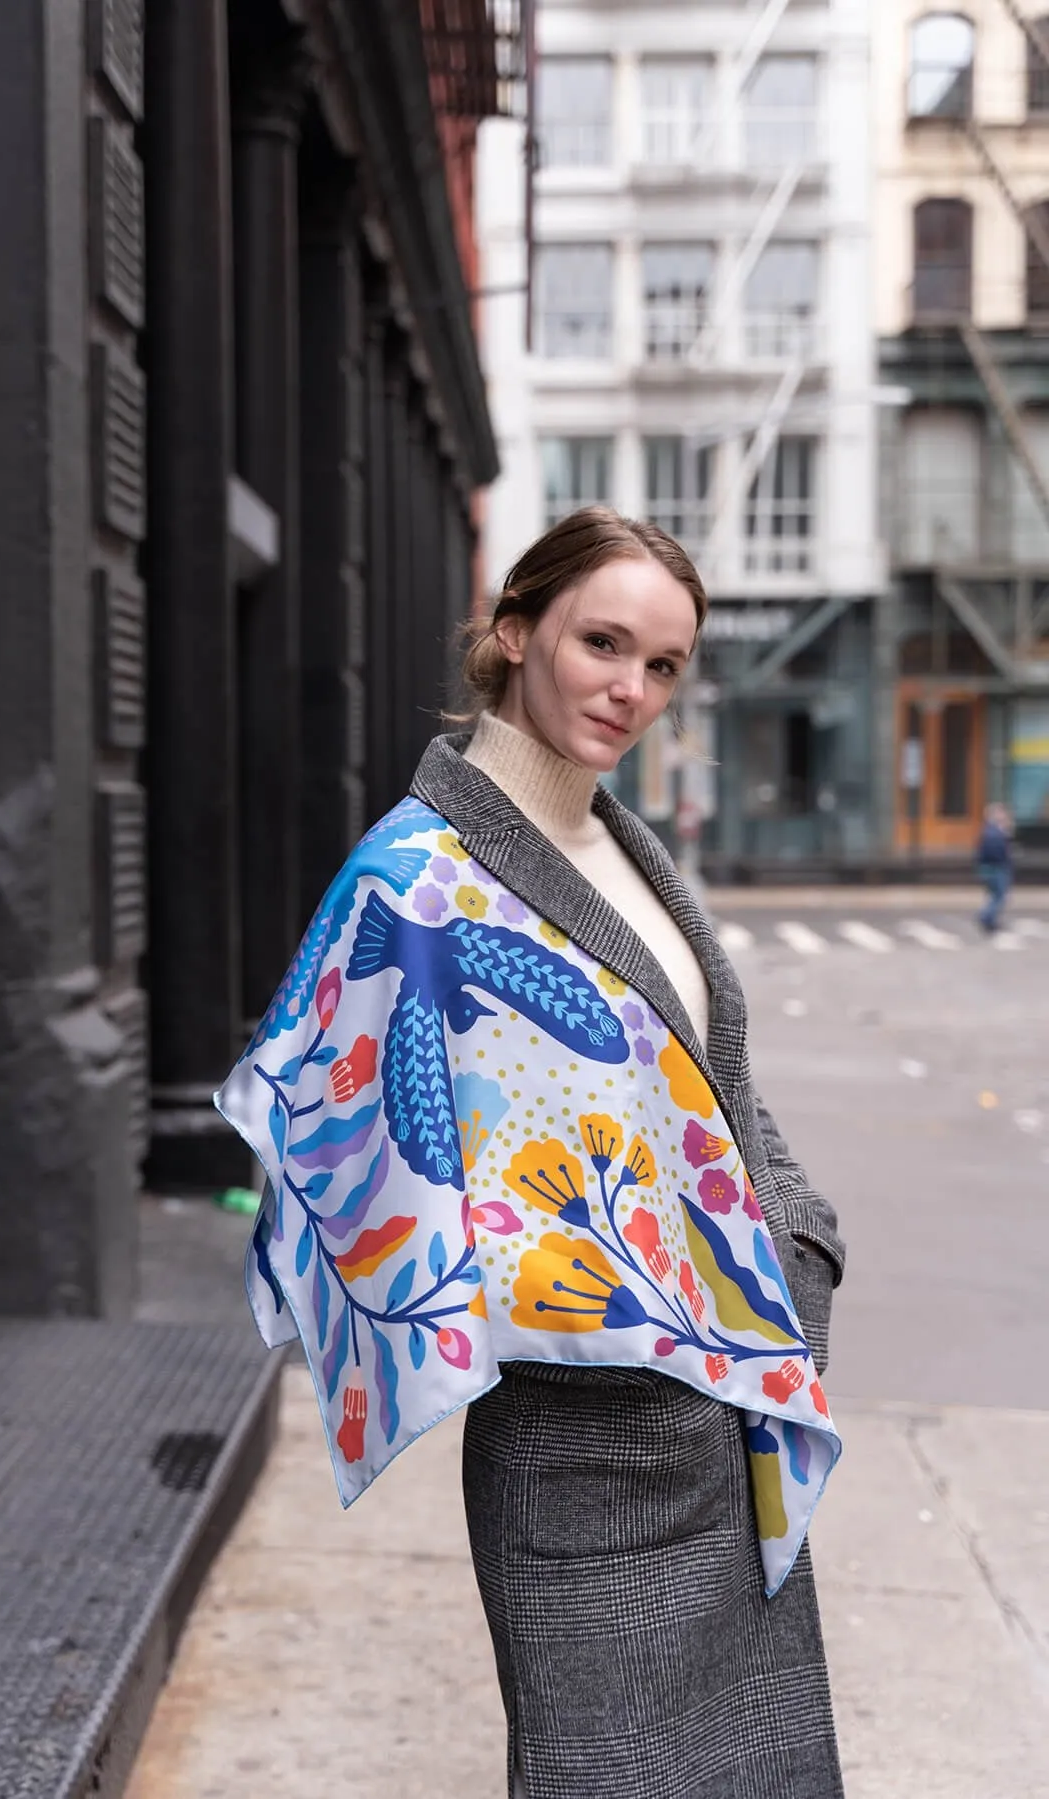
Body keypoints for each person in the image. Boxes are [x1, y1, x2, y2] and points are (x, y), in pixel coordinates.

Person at [216, 506, 846, 1799]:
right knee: (604, 1767)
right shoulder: (417, 877)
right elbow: (336, 1127)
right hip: (582, 1430)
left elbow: (712, 1078)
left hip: (727, 1395)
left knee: (749, 1764)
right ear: (514, 631)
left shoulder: (626, 846)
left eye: (663, 664)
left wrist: (802, 1235)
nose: (631, 688)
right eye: (602, 642)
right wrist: (552, 1296)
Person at [976, 801, 1014, 935]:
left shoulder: (991, 830)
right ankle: (986, 917)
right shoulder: (994, 832)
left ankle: (989, 919)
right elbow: (997, 852)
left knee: (994, 895)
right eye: (1002, 813)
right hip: (996, 868)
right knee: (999, 896)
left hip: (991, 868)